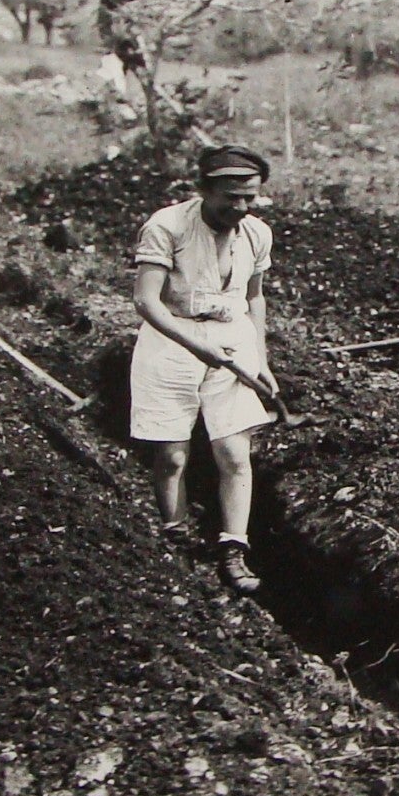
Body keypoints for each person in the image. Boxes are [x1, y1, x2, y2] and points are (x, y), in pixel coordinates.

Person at [130, 145, 280, 597]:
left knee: (235, 454)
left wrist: (260, 357)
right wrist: (196, 345)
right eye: (230, 198)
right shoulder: (167, 226)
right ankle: (175, 533)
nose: (240, 208)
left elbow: (254, 298)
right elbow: (146, 301)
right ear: (204, 189)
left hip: (231, 340)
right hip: (170, 341)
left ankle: (234, 548)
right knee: (173, 455)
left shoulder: (256, 233)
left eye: (249, 198)